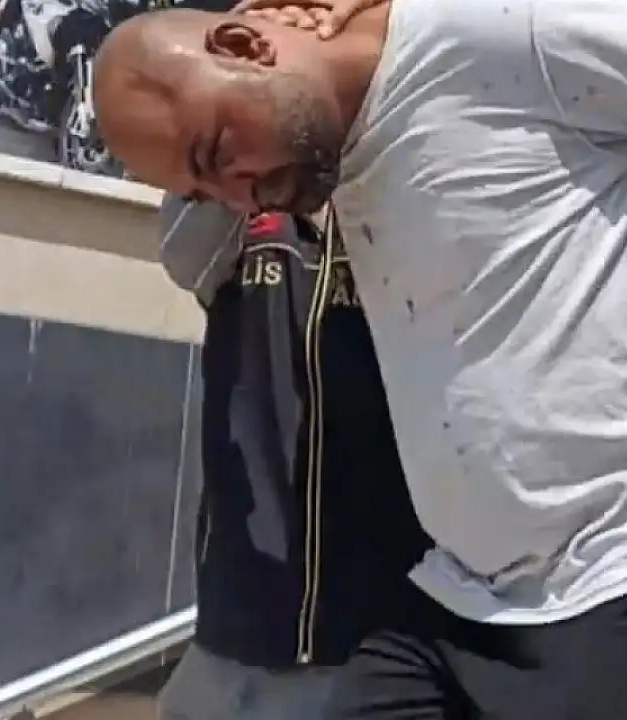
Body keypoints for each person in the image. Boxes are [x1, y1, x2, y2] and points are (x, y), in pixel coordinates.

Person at [92, 1, 627, 717]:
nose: (238, 195)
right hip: (467, 593)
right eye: (205, 192)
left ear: (244, 45)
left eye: (218, 154)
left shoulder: (499, 32)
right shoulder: (338, 147)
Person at [156, 199, 429, 719]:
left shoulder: (405, 203)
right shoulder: (242, 195)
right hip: (230, 642)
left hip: (372, 652)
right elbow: (183, 254)